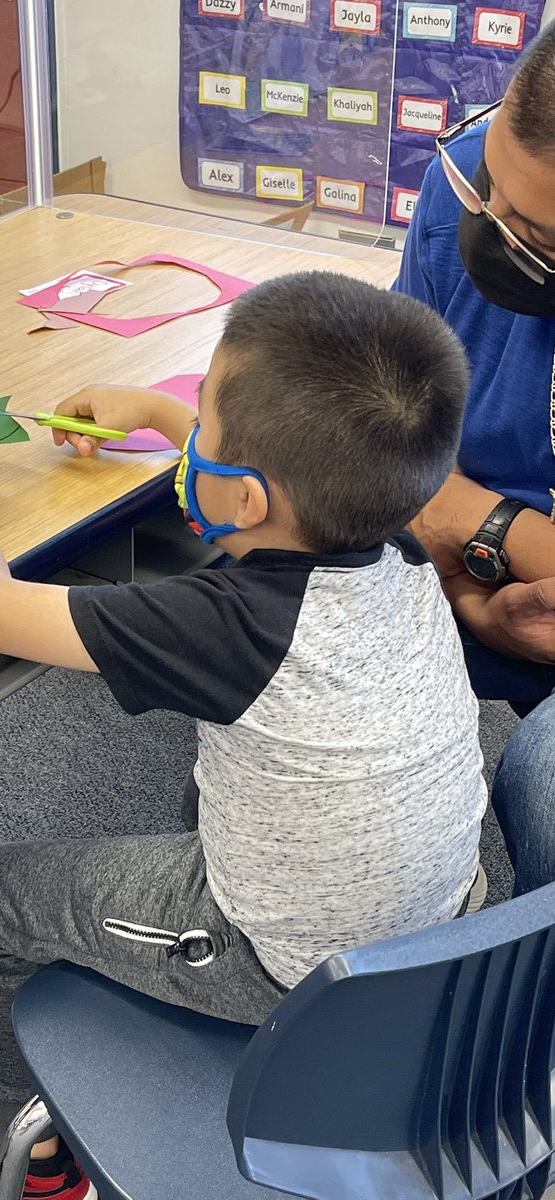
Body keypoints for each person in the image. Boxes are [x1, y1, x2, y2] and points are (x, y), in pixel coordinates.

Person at [0, 271, 487, 1199]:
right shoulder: (398, 544)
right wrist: (153, 410)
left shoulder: (226, 624)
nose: (194, 442)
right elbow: (283, 485)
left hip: (294, 968)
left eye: (203, 425)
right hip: (444, 925)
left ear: (250, 501)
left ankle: (29, 1149)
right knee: (201, 786)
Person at [393, 24, 555, 897]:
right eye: (491, 187)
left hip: (478, 552)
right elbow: (391, 448)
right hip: (463, 571)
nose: (490, 227)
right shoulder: (463, 175)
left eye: (536, 235)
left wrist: (472, 517)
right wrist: (469, 592)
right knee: (279, 619)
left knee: (548, 781)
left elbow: (438, 499)